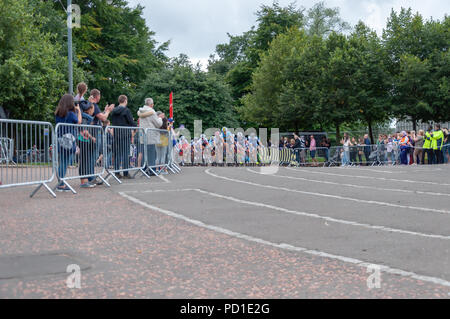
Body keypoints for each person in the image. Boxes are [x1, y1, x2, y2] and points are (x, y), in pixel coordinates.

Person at [55, 94, 82, 192]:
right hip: (69, 140)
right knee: (65, 162)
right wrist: (78, 111)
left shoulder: (58, 113)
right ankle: (61, 184)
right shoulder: (70, 114)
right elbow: (79, 121)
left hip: (60, 140)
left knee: (62, 161)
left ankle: (60, 182)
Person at [110, 95, 135, 179]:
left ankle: (117, 173)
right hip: (125, 134)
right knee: (125, 154)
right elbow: (131, 122)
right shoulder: (126, 110)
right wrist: (135, 127)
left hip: (117, 134)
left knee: (118, 154)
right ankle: (125, 173)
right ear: (125, 101)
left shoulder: (113, 111)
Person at [137, 98, 163, 174]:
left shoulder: (141, 111)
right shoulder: (151, 112)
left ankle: (145, 169)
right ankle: (152, 170)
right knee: (151, 154)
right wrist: (160, 118)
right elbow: (158, 124)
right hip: (151, 136)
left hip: (143, 135)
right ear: (151, 104)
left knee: (144, 153)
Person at [78, 102, 97, 188]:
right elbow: (85, 131)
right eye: (93, 109)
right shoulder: (85, 117)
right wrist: (91, 137)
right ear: (89, 109)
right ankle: (83, 182)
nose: (94, 111)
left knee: (84, 161)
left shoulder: (84, 117)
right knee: (84, 161)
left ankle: (84, 181)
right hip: (83, 140)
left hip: (83, 140)